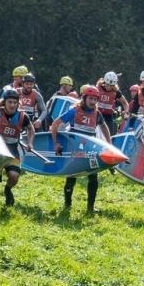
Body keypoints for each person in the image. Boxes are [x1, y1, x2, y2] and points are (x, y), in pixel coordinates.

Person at [51, 84, 112, 214]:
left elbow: (104, 127)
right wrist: (56, 143)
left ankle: (90, 208)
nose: (93, 102)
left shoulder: (97, 113)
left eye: (95, 99)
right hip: (75, 149)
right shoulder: (74, 111)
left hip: (90, 151)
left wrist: (109, 143)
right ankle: (67, 205)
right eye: (90, 99)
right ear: (84, 98)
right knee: (71, 178)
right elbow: (55, 124)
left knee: (93, 178)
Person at [0, 87, 32, 209]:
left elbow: (31, 129)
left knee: (14, 176)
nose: (12, 105)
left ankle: (8, 190)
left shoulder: (23, 116)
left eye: (15, 102)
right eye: (10, 102)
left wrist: (30, 143)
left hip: (12, 150)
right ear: (4, 102)